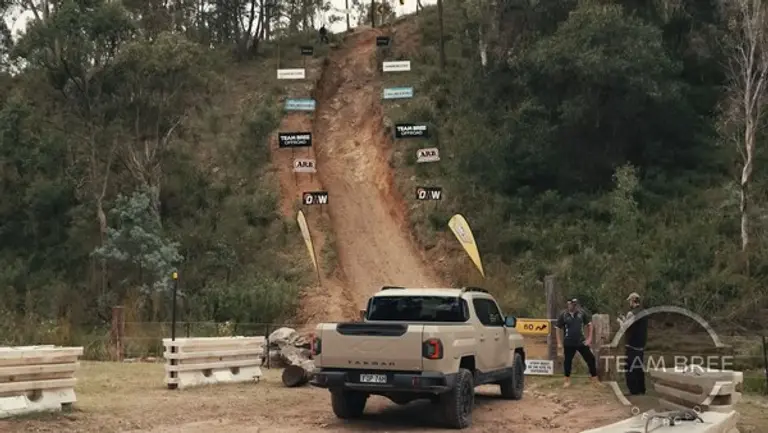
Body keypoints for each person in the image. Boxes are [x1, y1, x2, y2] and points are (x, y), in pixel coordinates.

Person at [556, 298, 599, 387]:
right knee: (567, 361)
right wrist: (559, 342)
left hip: (581, 341)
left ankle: (594, 379)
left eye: (573, 304)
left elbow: (589, 325)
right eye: (570, 304)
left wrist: (589, 338)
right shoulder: (563, 315)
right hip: (568, 342)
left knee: (591, 358)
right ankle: (567, 380)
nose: (571, 306)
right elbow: (558, 328)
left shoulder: (581, 313)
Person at [618, 292, 648, 395]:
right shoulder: (644, 312)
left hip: (632, 345)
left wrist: (619, 321)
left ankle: (633, 390)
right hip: (641, 345)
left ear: (633, 300)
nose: (629, 303)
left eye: (630, 301)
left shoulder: (631, 313)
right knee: (639, 367)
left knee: (629, 368)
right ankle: (641, 389)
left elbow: (624, 328)